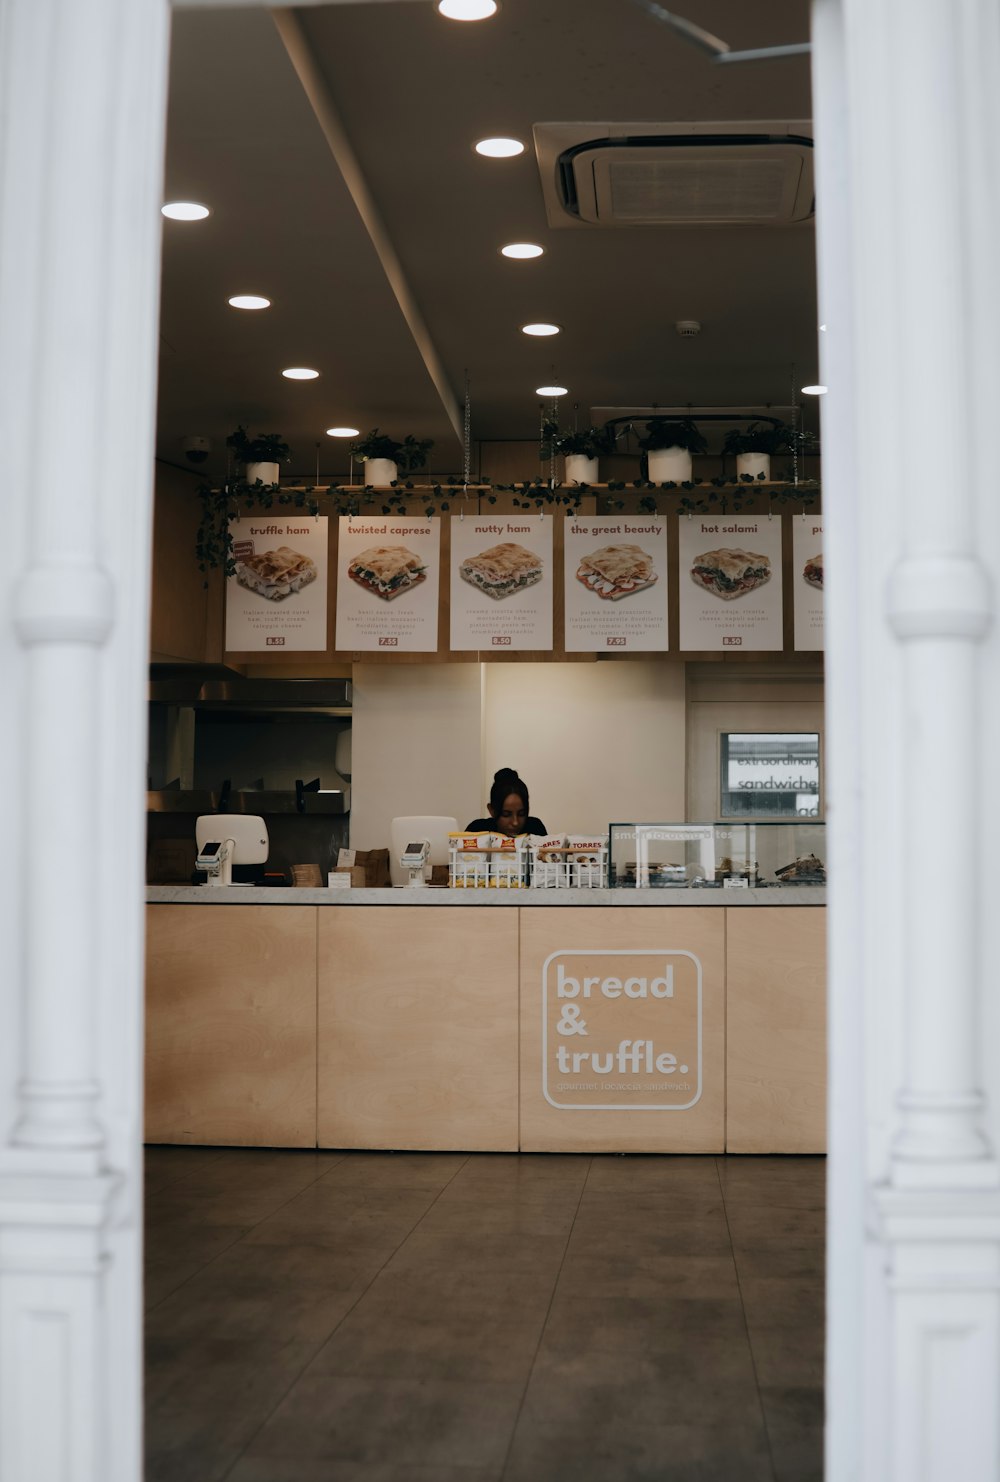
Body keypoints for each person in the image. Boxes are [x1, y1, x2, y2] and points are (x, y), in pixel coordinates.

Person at [467, 767, 547, 837]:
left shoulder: (535, 829)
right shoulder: (477, 831)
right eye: (506, 815)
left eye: (521, 814)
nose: (515, 822)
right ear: (492, 810)